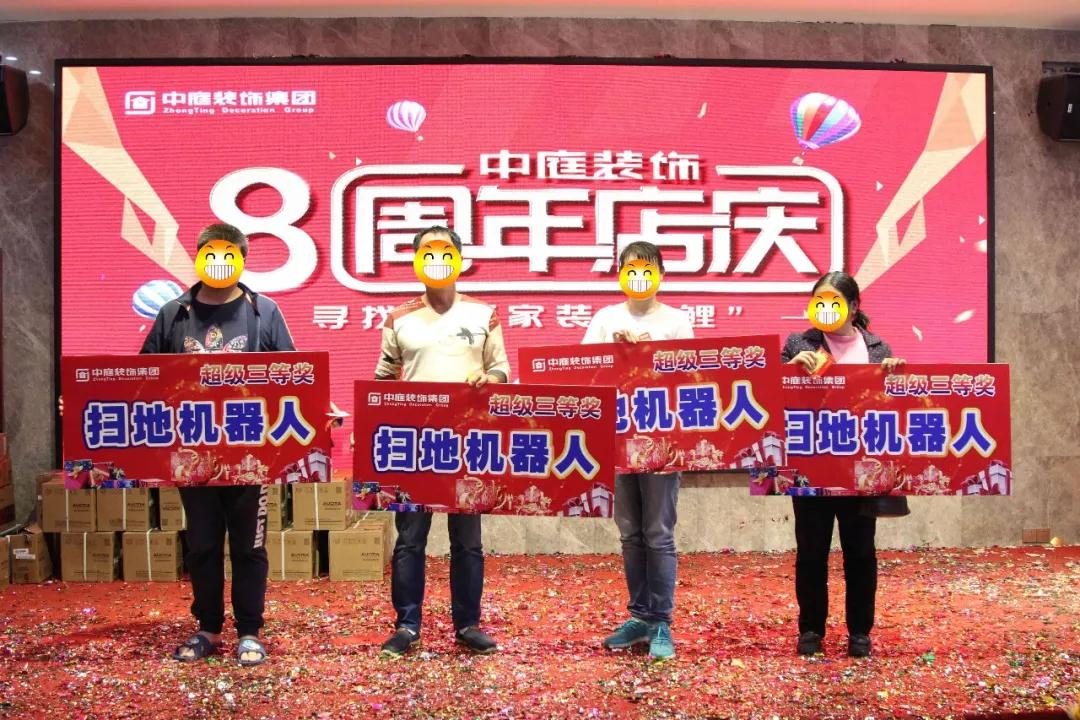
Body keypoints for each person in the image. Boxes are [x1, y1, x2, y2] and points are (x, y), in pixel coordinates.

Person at [144, 222, 296, 666]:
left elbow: (294, 375)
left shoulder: (264, 311)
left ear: (242, 260)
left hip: (250, 454)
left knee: (249, 546)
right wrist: (81, 403)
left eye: (228, 254)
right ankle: (208, 628)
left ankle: (249, 631)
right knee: (203, 544)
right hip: (192, 453)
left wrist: (320, 407)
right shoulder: (173, 313)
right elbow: (141, 380)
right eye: (210, 253)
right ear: (198, 257)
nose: (218, 262)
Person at [376, 225, 510, 658]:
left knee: (467, 541)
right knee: (409, 540)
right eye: (428, 253)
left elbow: (503, 370)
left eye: (445, 252)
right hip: (413, 445)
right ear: (416, 261)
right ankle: (407, 625)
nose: (437, 260)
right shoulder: (399, 318)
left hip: (468, 444)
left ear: (460, 259)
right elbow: (382, 380)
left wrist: (490, 378)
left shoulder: (483, 314)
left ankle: (468, 624)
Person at [781, 270, 909, 659]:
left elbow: (891, 407)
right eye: (818, 301)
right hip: (811, 466)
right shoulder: (799, 343)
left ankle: (859, 632)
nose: (825, 309)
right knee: (811, 553)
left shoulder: (878, 348)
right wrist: (789, 369)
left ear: (853, 308)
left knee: (861, 553)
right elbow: (770, 396)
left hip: (860, 470)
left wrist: (897, 377)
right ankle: (811, 630)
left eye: (833, 302)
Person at [583, 241, 693, 661]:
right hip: (616, 440)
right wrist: (611, 351)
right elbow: (582, 370)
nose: (639, 276)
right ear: (620, 275)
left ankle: (661, 621)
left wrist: (652, 355)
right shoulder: (605, 318)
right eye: (631, 269)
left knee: (658, 533)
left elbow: (691, 378)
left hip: (663, 443)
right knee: (630, 532)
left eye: (647, 269)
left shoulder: (677, 321)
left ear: (661, 273)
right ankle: (639, 616)